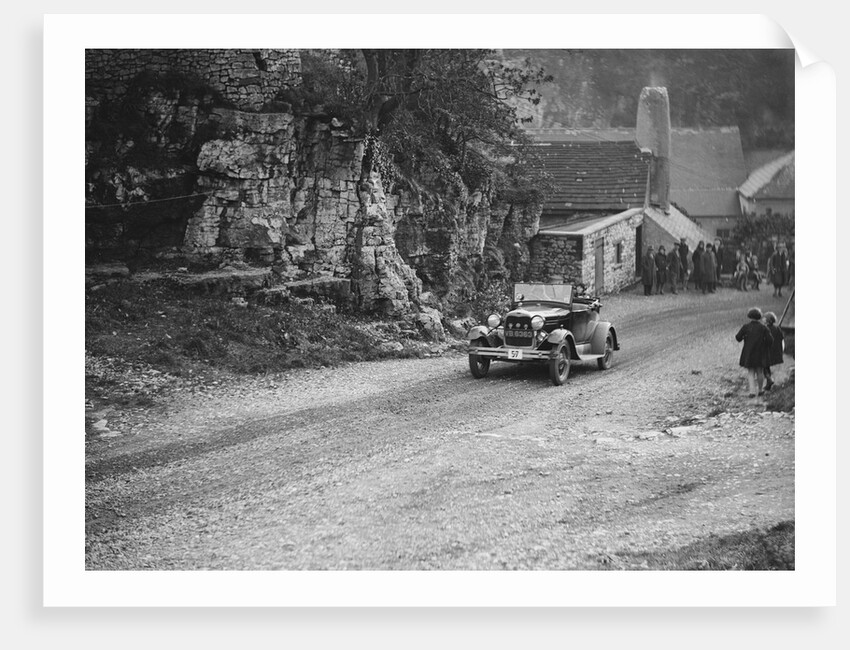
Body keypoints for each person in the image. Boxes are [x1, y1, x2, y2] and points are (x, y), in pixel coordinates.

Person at [735, 307, 773, 398]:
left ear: (750, 316)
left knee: (751, 372)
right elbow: (770, 340)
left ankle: (752, 391)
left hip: (749, 352)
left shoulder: (746, 327)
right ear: (759, 316)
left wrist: (745, 338)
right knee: (760, 371)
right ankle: (760, 390)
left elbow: (738, 338)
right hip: (760, 352)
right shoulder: (763, 328)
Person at [762, 311, 785, 391]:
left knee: (764, 365)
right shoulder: (777, 328)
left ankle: (769, 379)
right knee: (766, 365)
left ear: (767, 320)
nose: (762, 319)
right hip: (775, 351)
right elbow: (781, 338)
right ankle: (769, 382)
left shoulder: (764, 329)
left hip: (768, 351)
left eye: (764, 318)